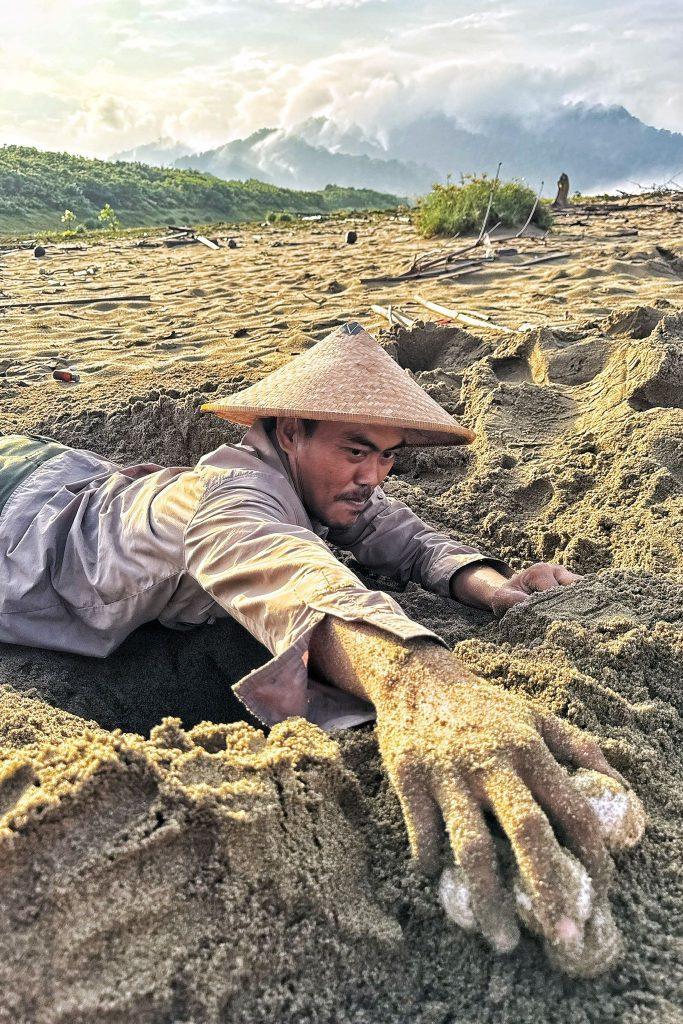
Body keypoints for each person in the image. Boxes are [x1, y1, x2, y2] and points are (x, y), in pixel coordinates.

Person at [0, 322, 637, 964]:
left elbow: (400, 533)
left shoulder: (311, 483)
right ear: (288, 431)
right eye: (356, 451)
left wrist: (493, 586)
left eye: (387, 456)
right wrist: (419, 682)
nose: (374, 475)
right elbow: (281, 566)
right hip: (17, 518)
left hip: (66, 468)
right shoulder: (222, 500)